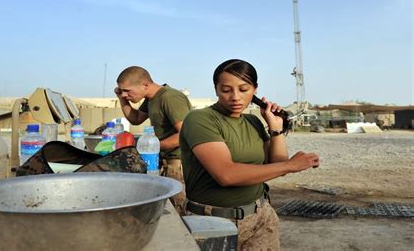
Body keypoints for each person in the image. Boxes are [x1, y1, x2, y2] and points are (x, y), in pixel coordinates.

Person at [180, 59, 320, 250]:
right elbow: (226, 175)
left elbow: (276, 165)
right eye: (226, 90)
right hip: (213, 221)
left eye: (244, 89)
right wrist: (291, 165)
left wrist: (276, 127)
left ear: (255, 90)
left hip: (260, 218)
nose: (235, 97)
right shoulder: (200, 119)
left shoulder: (253, 121)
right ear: (216, 89)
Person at [114, 66, 192, 214]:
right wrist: (121, 99)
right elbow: (135, 119)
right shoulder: (151, 99)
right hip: (163, 162)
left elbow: (186, 134)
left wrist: (153, 146)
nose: (124, 94)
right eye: (121, 91)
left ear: (145, 85)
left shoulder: (169, 98)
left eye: (127, 91)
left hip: (177, 165)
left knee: (177, 214)